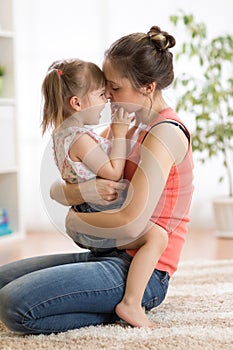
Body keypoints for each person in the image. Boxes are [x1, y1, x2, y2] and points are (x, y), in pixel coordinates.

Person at [0, 26, 194, 334]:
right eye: (104, 88)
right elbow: (59, 187)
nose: (107, 98)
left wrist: (77, 224)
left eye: (114, 88)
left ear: (147, 87)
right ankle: (93, 301)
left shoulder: (164, 133)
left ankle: (123, 307)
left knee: (14, 305)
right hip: (106, 252)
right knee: (1, 280)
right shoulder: (125, 126)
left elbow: (131, 223)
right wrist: (83, 191)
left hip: (141, 272)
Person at [41, 58, 168, 327]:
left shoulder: (64, 133)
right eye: (101, 94)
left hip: (85, 213)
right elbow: (112, 171)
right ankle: (132, 303)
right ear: (76, 103)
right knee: (156, 236)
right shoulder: (81, 138)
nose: (107, 100)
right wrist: (120, 133)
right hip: (96, 215)